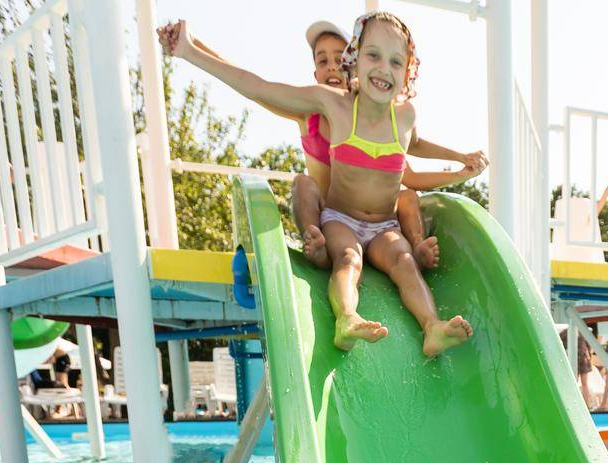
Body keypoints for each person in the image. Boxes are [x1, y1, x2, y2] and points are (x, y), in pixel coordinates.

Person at [160, 13, 474, 358]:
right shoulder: (334, 105)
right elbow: (260, 87)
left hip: (385, 224)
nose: (384, 68)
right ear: (353, 59)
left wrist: (459, 158)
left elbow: (413, 143)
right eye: (373, 55)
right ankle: (347, 318)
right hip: (342, 219)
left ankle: (432, 328)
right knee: (349, 259)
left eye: (395, 61)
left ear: (406, 74)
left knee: (404, 261)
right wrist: (190, 51)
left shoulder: (405, 116)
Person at [190, 21, 487, 272]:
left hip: (376, 225)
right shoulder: (308, 112)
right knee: (304, 183)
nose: (331, 66)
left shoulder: (374, 122)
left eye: (338, 58)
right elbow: (256, 87)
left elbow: (410, 163)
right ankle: (316, 243)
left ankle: (416, 248)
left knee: (406, 196)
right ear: (315, 74)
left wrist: (458, 167)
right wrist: (192, 49)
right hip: (331, 220)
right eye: (322, 61)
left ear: (353, 64)